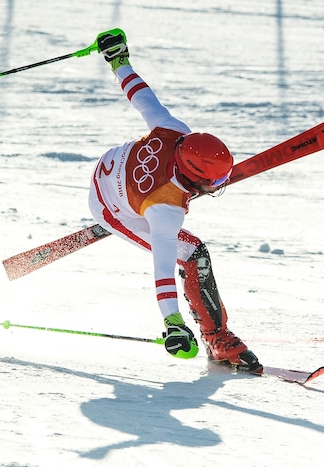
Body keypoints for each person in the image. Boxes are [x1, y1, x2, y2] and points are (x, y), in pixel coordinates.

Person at [88, 30, 261, 372]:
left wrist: (118, 61)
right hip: (110, 206)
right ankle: (218, 339)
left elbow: (142, 97)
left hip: (111, 166)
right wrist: (173, 323)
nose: (220, 185)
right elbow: (164, 270)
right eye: (216, 182)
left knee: (180, 239)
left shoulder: (174, 131)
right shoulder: (165, 212)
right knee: (194, 254)